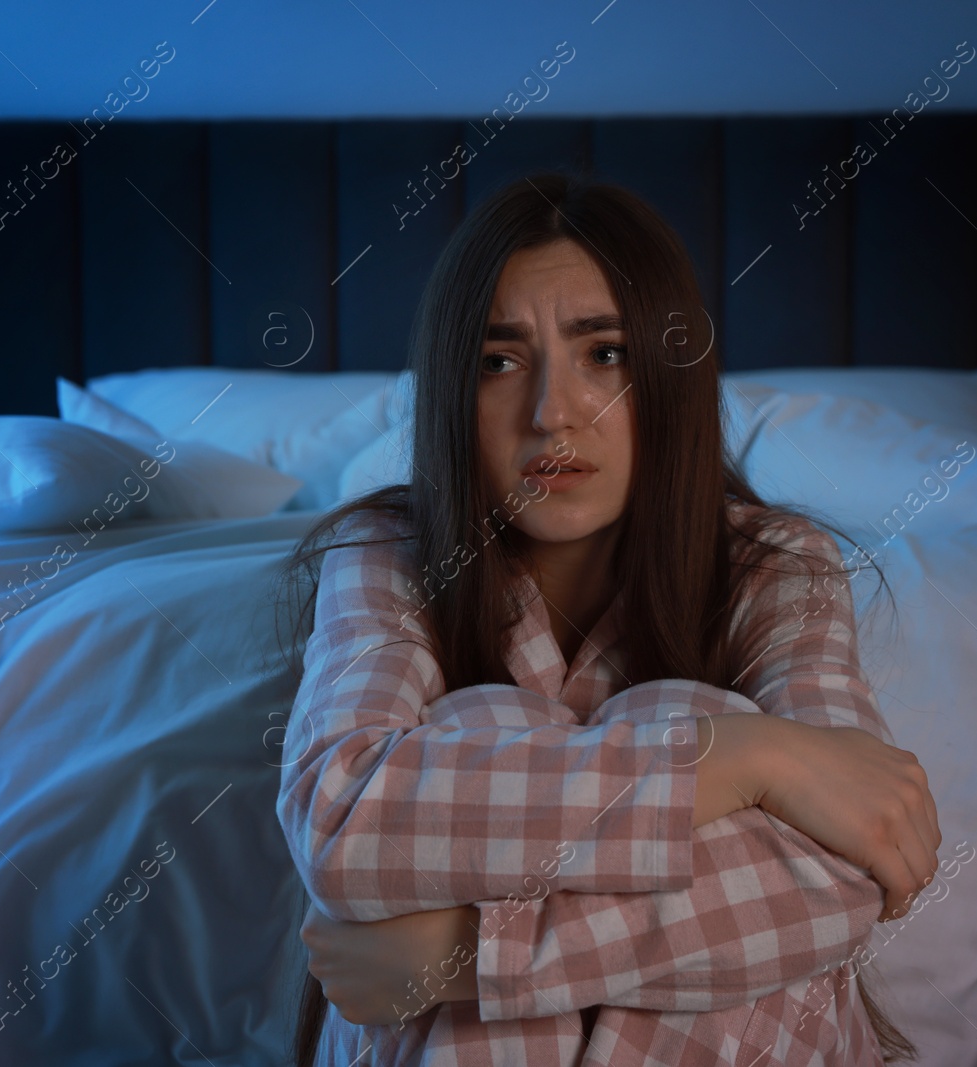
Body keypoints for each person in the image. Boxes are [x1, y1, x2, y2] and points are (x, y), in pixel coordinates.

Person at [273, 170, 941, 1065]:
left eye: (606, 354)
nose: (553, 414)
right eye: (499, 362)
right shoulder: (388, 553)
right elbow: (342, 817)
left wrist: (472, 953)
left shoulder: (777, 566)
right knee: (508, 719)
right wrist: (744, 760)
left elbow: (849, 867)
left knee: (678, 728)